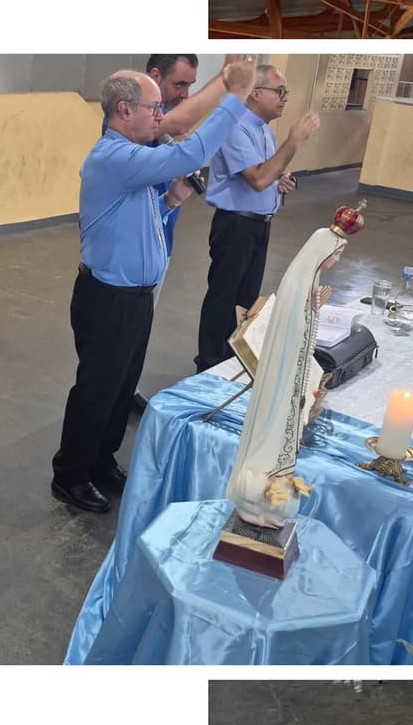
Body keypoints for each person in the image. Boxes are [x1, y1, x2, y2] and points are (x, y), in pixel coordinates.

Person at [52, 59, 256, 514]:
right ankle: (70, 474)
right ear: (125, 110)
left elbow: (138, 223)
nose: (161, 117)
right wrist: (235, 95)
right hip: (108, 298)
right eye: (154, 108)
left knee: (122, 386)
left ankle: (101, 460)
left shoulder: (134, 159)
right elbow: (189, 153)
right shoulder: (113, 157)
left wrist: (171, 201)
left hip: (135, 297)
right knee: (97, 389)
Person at [115, 55, 245, 413]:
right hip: (131, 249)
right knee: (120, 336)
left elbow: (182, 131)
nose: (185, 94)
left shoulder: (162, 125)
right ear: (154, 76)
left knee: (141, 328)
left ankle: (126, 389)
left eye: (191, 85)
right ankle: (113, 396)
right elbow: (183, 126)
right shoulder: (133, 126)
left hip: (161, 235)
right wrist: (228, 81)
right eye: (179, 84)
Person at [225, 204, 365, 527]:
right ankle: (258, 494)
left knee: (282, 433)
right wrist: (309, 310)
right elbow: (292, 332)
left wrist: (313, 309)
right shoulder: (298, 284)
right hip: (283, 377)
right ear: (322, 251)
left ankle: (268, 496)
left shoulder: (309, 281)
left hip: (291, 376)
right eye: (336, 254)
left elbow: (303, 330)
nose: (337, 261)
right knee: (272, 430)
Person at [195, 64, 321, 373]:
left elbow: (269, 173)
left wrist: (282, 180)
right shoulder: (235, 127)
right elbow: (258, 179)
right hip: (235, 225)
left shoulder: (263, 128)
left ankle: (232, 360)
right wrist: (293, 142)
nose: (285, 98)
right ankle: (209, 365)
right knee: (224, 298)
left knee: (246, 300)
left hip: (258, 223)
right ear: (254, 92)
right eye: (279, 91)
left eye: (285, 92)